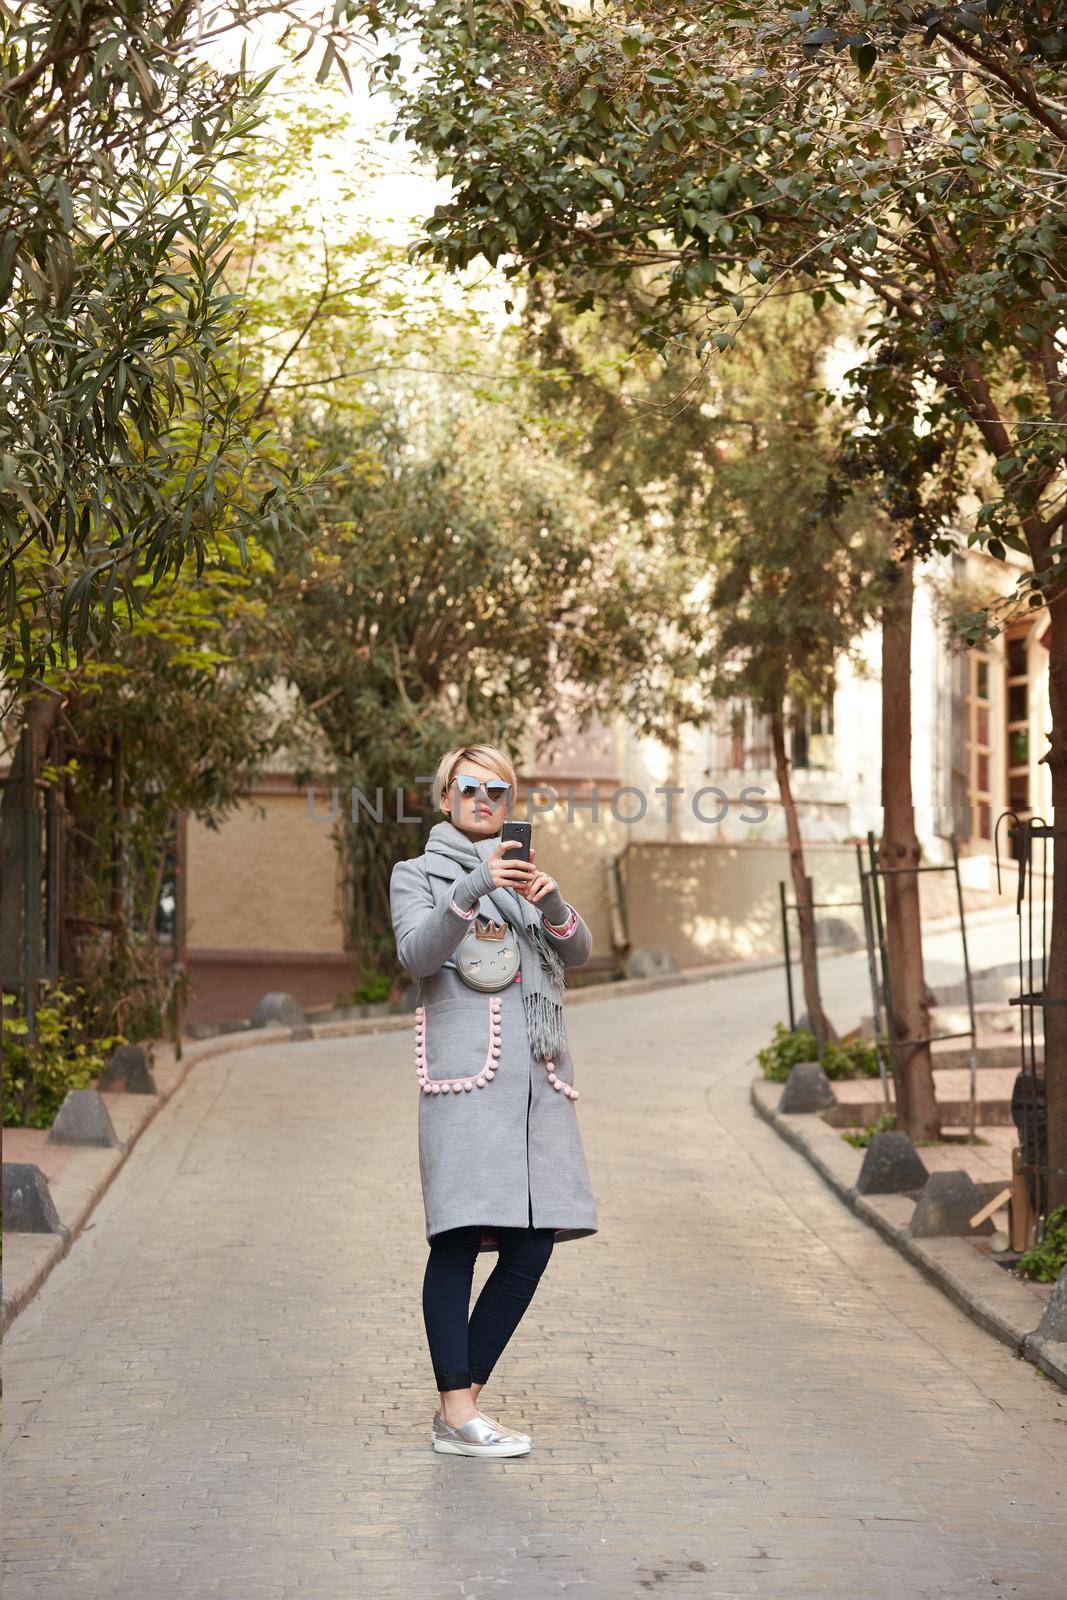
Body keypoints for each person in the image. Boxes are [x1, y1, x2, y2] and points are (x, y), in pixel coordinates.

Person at [389, 743, 598, 1458]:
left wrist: (552, 901)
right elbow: (416, 955)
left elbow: (578, 952)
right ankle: (457, 1409)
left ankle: (461, 1405)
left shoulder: (525, 881)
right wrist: (472, 886)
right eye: (470, 787)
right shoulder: (415, 875)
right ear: (445, 796)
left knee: (533, 1242)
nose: (485, 800)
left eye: (499, 791)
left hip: (535, 1086)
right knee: (456, 1238)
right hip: (467, 1082)